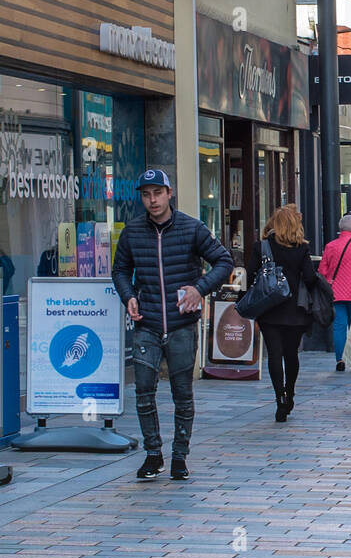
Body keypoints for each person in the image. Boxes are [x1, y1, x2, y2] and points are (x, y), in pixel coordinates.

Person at [112, 168, 232, 481]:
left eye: (157, 193)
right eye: (146, 195)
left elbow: (224, 261)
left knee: (182, 393)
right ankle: (153, 455)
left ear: (169, 193)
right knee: (143, 392)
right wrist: (128, 296)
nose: (152, 200)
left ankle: (179, 456)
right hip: (147, 323)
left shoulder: (192, 229)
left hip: (181, 325)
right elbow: (120, 270)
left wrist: (199, 288)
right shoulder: (132, 232)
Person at [249, 206, 319, 423]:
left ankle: (279, 396)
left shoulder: (261, 247)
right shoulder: (301, 249)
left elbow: (251, 274)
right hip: (294, 310)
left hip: (269, 309)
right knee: (291, 354)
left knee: (274, 354)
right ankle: (290, 392)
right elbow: (309, 278)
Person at [318, 214, 351, 371]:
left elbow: (322, 271)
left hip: (336, 292)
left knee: (338, 327)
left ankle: (340, 359)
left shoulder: (331, 246)